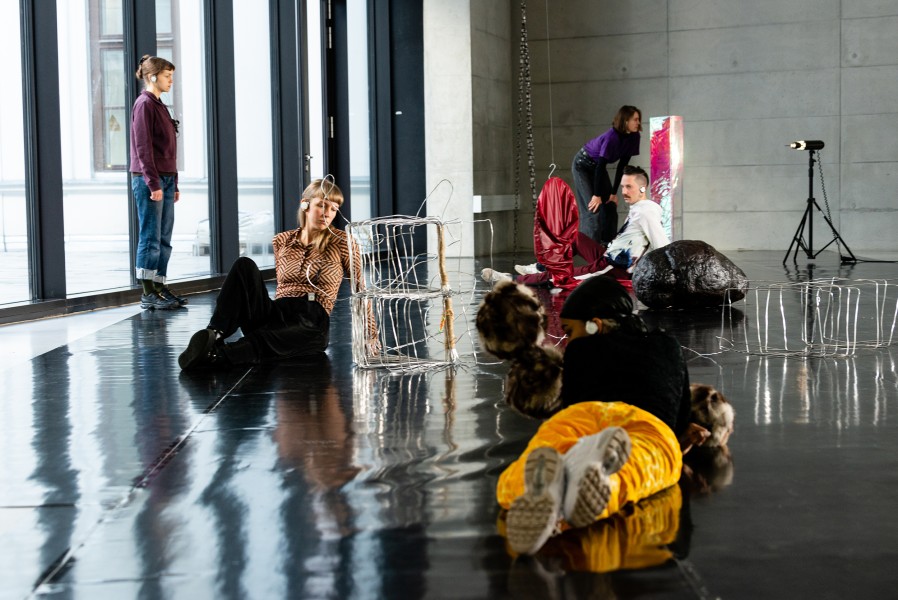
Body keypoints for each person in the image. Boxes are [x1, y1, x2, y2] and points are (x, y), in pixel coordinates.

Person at [476, 277, 730, 555]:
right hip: (644, 429)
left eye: (570, 332)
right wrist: (680, 441)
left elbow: (572, 406)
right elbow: (678, 421)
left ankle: (527, 487)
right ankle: (589, 481)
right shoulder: (668, 345)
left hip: (583, 419)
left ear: (594, 325)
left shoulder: (580, 351)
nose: (567, 341)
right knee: (635, 472)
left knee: (539, 454)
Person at [178, 178, 374, 370]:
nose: (327, 214)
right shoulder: (282, 240)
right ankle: (215, 333)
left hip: (311, 319)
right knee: (244, 265)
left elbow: (360, 289)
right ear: (305, 205)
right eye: (322, 205)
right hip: (278, 311)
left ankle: (216, 356)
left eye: (334, 209)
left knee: (267, 338)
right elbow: (281, 286)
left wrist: (371, 334)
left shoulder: (343, 242)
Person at [483, 165, 669, 288]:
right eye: (622, 187)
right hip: (608, 257)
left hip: (612, 269)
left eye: (629, 187)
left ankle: (509, 279)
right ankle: (539, 267)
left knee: (563, 276)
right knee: (576, 238)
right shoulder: (639, 208)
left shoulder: (647, 211)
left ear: (643, 188)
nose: (624, 192)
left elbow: (662, 245)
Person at [131, 55, 185, 310]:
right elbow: (143, 148)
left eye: (171, 76)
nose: (171, 80)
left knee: (164, 238)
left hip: (165, 178)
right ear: (152, 77)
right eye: (167, 76)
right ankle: (147, 293)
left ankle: (160, 286)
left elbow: (169, 149)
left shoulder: (160, 105)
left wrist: (174, 183)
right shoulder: (144, 104)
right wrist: (153, 184)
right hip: (149, 180)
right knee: (150, 237)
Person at [573, 105, 642, 245]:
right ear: (625, 121)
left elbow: (622, 166)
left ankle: (608, 247)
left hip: (598, 167)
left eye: (638, 119)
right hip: (582, 165)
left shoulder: (634, 137)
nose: (638, 123)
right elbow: (601, 166)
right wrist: (596, 195)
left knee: (610, 206)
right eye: (635, 119)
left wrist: (613, 193)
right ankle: (590, 250)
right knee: (593, 209)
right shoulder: (612, 138)